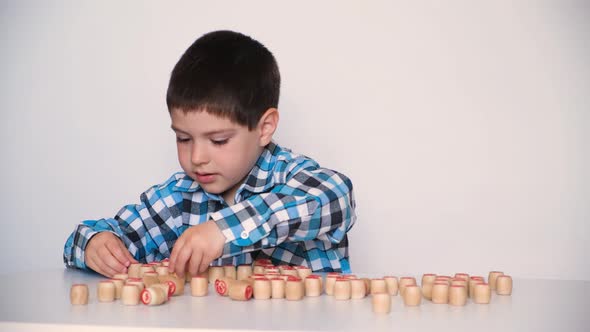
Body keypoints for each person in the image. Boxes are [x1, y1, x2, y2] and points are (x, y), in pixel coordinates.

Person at [63, 30, 356, 278]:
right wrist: (96, 244)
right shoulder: (179, 199)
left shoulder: (292, 177)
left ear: (264, 128)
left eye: (218, 140)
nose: (197, 157)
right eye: (183, 138)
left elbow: (335, 195)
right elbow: (98, 233)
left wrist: (222, 230)